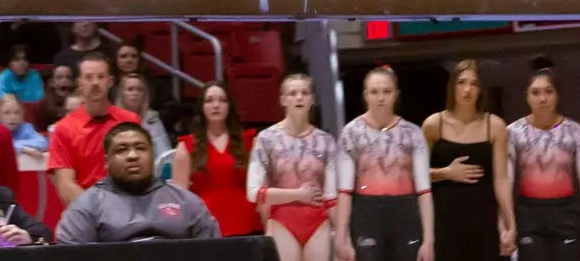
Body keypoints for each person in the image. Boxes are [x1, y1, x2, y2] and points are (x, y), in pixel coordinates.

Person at [56, 121, 220, 244]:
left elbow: (214, 251)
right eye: (122, 150)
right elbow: (67, 255)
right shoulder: (86, 207)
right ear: (107, 161)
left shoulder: (185, 202)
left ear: (152, 155)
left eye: (140, 148)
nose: (132, 156)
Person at [509, 58, 580, 261]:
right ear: (527, 96)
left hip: (565, 212)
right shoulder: (513, 132)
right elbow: (505, 183)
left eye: (548, 91)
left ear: (557, 94)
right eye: (536, 93)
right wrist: (506, 226)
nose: (542, 98)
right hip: (529, 213)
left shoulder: (576, 132)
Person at [335, 67, 433, 261]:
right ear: (365, 95)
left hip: (405, 211)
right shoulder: (351, 133)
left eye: (387, 91)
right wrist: (341, 237)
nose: (381, 98)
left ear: (396, 94)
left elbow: (424, 190)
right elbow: (344, 190)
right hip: (366, 212)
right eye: (374, 92)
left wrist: (429, 240)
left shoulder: (413, 133)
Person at [422, 59, 513, 261]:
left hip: (484, 217)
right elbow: (417, 176)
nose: (467, 89)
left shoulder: (495, 126)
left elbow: (501, 180)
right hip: (445, 218)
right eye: (462, 82)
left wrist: (510, 223)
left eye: (474, 84)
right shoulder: (433, 125)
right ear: (452, 87)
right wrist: (446, 173)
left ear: (481, 89)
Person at [250, 73, 340, 261]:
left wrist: (342, 234)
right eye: (292, 93)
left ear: (312, 99)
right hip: (282, 222)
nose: (299, 98)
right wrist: (298, 194)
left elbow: (332, 197)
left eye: (304, 93)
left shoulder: (326, 141)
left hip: (318, 223)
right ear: (283, 100)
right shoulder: (266, 139)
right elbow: (253, 192)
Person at [47, 51, 140, 205]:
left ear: (110, 81)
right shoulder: (63, 129)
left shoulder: (131, 121)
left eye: (101, 76)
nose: (95, 83)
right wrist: (99, 211)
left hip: (127, 208)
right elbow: (65, 185)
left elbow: (139, 174)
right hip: (84, 213)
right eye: (89, 77)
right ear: (79, 83)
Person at [172, 80, 260, 238]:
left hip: (247, 224)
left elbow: (261, 188)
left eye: (222, 100)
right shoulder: (186, 147)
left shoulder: (249, 142)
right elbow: (180, 198)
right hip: (204, 226)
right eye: (209, 100)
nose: (216, 105)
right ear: (202, 107)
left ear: (229, 106)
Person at [117, 73, 171, 172]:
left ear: (144, 94)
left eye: (139, 89)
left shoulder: (152, 119)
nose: (135, 93)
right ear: (121, 94)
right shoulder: (113, 120)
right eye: (130, 89)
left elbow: (164, 154)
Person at [38, 64, 77, 131]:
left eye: (68, 77)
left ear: (73, 81)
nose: (64, 80)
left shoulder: (80, 101)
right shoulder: (44, 103)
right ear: (52, 82)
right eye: (59, 78)